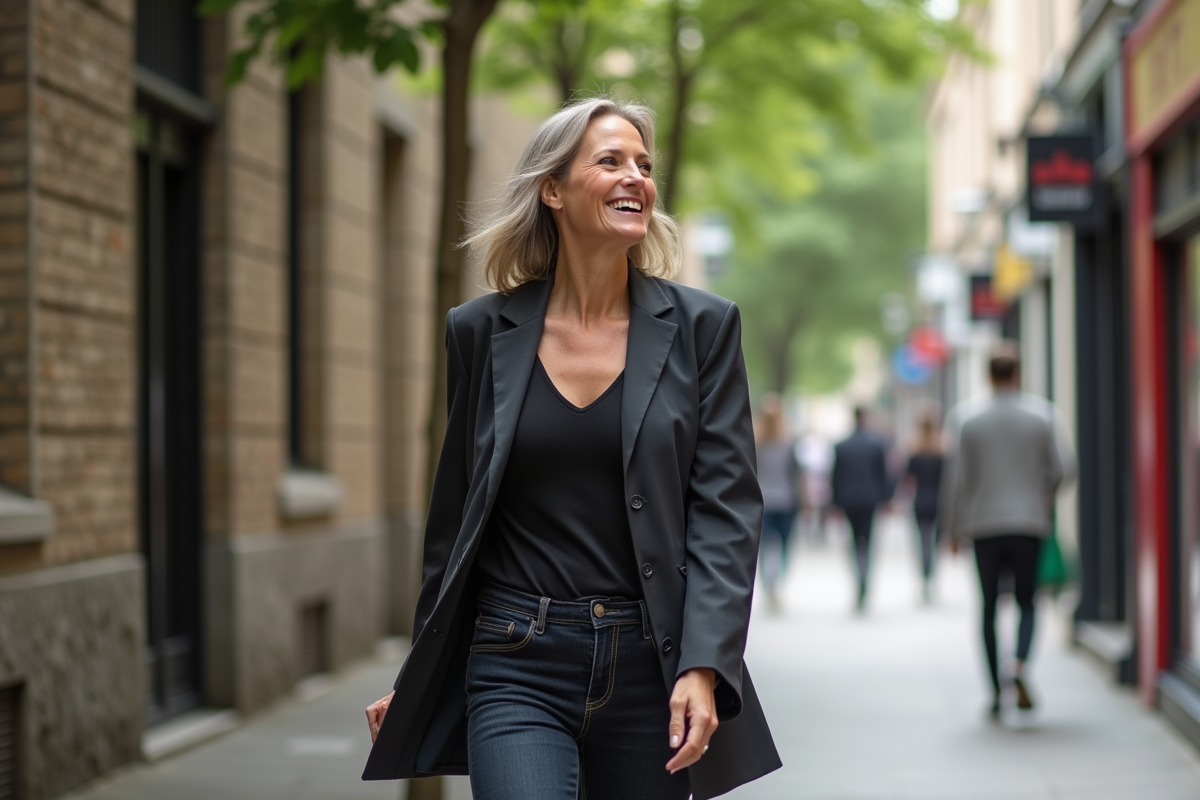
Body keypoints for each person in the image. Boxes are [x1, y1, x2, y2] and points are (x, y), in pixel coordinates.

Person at [361, 97, 780, 800]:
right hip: (513, 660)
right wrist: (420, 675)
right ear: (551, 189)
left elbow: (726, 513)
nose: (636, 178)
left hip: (653, 664)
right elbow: (457, 520)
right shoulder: (480, 331)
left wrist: (706, 665)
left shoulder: (704, 329)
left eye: (644, 166)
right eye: (610, 161)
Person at [941, 344, 1076, 719]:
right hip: (1029, 522)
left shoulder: (966, 419)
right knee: (1027, 601)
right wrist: (1043, 494)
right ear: (1018, 373)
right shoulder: (1042, 414)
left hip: (983, 524)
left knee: (987, 607)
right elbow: (1066, 467)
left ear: (988, 375)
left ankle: (994, 692)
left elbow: (956, 481)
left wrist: (951, 529)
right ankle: (1018, 665)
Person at [831, 406, 891, 611]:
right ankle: (865, 578)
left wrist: (834, 503)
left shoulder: (842, 445)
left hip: (848, 500)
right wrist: (886, 500)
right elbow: (883, 475)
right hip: (870, 499)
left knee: (854, 542)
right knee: (868, 542)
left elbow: (836, 477)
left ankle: (859, 578)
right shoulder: (876, 444)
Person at [755, 393, 801, 613]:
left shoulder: (755, 444)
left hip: (763, 501)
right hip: (785, 501)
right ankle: (777, 584)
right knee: (784, 546)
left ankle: (769, 585)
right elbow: (796, 475)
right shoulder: (788, 444)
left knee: (764, 548)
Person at [903, 411, 944, 601]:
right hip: (938, 501)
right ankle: (931, 572)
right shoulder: (941, 451)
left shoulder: (915, 451)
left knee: (923, 541)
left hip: (920, 501)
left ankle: (925, 573)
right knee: (934, 542)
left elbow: (907, 480)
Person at [796, 428, 833, 542]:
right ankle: (813, 529)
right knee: (811, 507)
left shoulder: (812, 444)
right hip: (813, 477)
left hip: (818, 477)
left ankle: (818, 530)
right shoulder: (807, 444)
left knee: (818, 507)